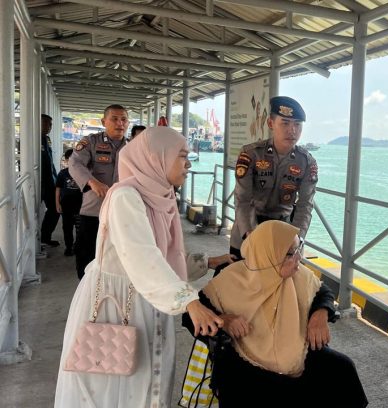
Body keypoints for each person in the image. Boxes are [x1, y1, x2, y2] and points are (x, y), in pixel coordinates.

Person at [55, 127, 233, 407]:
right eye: (181, 156)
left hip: (148, 297)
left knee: (143, 379)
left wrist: (208, 262)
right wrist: (189, 301)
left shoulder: (162, 197)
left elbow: (164, 256)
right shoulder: (126, 196)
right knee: (115, 381)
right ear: (156, 158)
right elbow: (142, 256)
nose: (188, 164)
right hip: (118, 302)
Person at [183, 220, 367, 407]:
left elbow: (323, 292)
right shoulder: (229, 280)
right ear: (270, 255)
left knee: (343, 368)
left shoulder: (299, 274)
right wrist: (223, 320)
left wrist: (320, 314)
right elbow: (190, 316)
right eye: (291, 253)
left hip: (298, 352)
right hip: (246, 362)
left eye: (299, 248)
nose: (299, 257)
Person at [230, 96, 318, 258]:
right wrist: (249, 233)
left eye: (297, 124)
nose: (292, 130)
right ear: (271, 123)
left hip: (284, 232)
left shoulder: (306, 162)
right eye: (285, 123)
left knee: (286, 274)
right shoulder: (251, 155)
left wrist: (297, 237)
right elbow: (242, 199)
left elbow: (305, 204)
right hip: (249, 227)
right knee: (240, 273)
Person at [69, 104, 129, 279]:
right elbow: (75, 163)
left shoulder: (133, 146)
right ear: (104, 122)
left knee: (119, 255)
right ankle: (85, 286)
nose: (120, 123)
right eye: (114, 119)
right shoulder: (91, 142)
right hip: (94, 210)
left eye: (124, 119)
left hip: (122, 212)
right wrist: (92, 182)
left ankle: (110, 288)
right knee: (86, 253)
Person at [55, 149, 82, 256]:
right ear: (66, 160)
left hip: (80, 205)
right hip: (66, 205)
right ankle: (69, 247)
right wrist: (57, 203)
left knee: (80, 228)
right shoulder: (62, 174)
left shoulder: (83, 173)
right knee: (67, 227)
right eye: (70, 159)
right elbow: (58, 189)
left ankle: (78, 246)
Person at [40, 114, 60, 247]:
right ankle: (42, 238)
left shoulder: (46, 139)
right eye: (46, 123)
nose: (49, 127)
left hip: (49, 182)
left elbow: (50, 162)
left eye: (50, 124)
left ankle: (45, 237)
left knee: (55, 209)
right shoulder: (31, 138)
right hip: (38, 182)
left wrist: (56, 178)